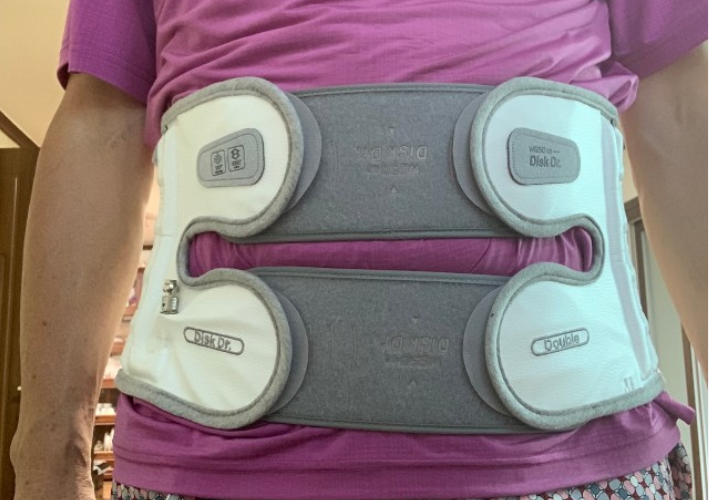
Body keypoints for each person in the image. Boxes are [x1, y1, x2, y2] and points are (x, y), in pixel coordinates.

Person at [10, 1, 707, 499]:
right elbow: (103, 120)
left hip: (575, 459)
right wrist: (47, 457)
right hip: (207, 466)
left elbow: (678, 112)